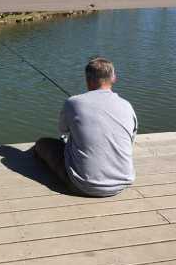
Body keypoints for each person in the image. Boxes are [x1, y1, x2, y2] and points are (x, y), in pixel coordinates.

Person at [34, 57, 137, 197]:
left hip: (82, 185)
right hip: (121, 184)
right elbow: (130, 140)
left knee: (42, 144)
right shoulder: (127, 106)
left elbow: (63, 130)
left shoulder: (73, 102)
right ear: (113, 78)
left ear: (87, 80)